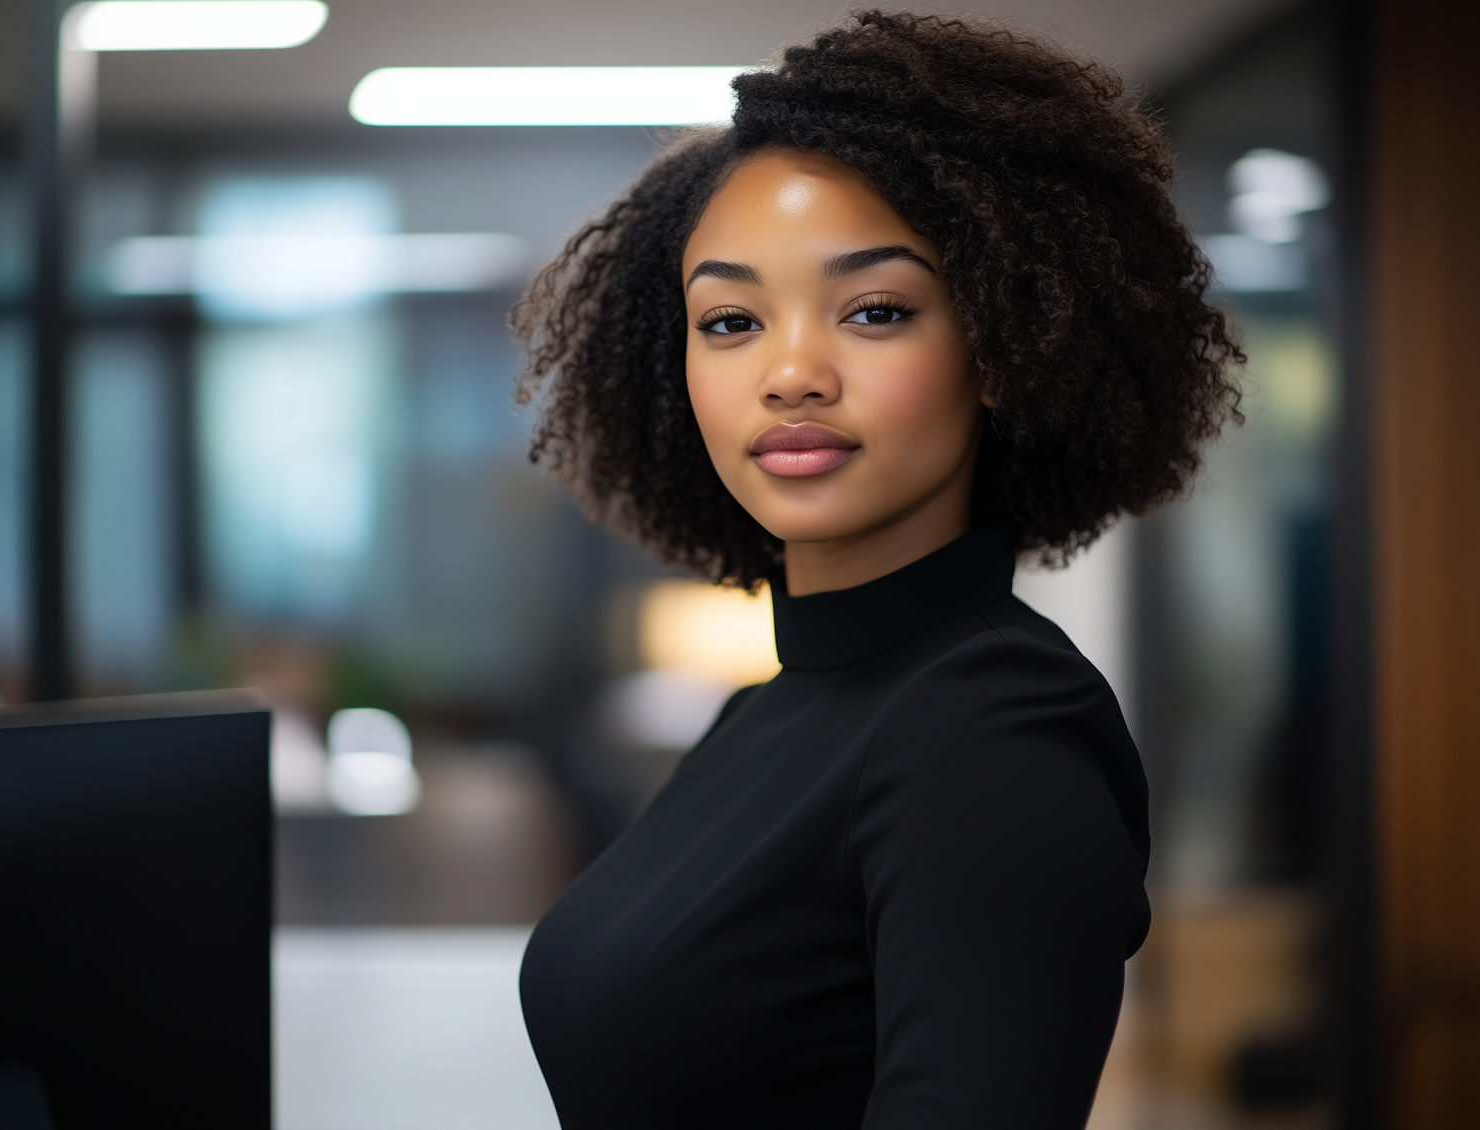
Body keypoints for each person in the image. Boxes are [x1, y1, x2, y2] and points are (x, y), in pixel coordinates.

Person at [513, 11, 1241, 1128]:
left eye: (876, 309)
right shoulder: (766, 711)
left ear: (998, 345)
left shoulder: (991, 722)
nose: (792, 371)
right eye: (731, 320)